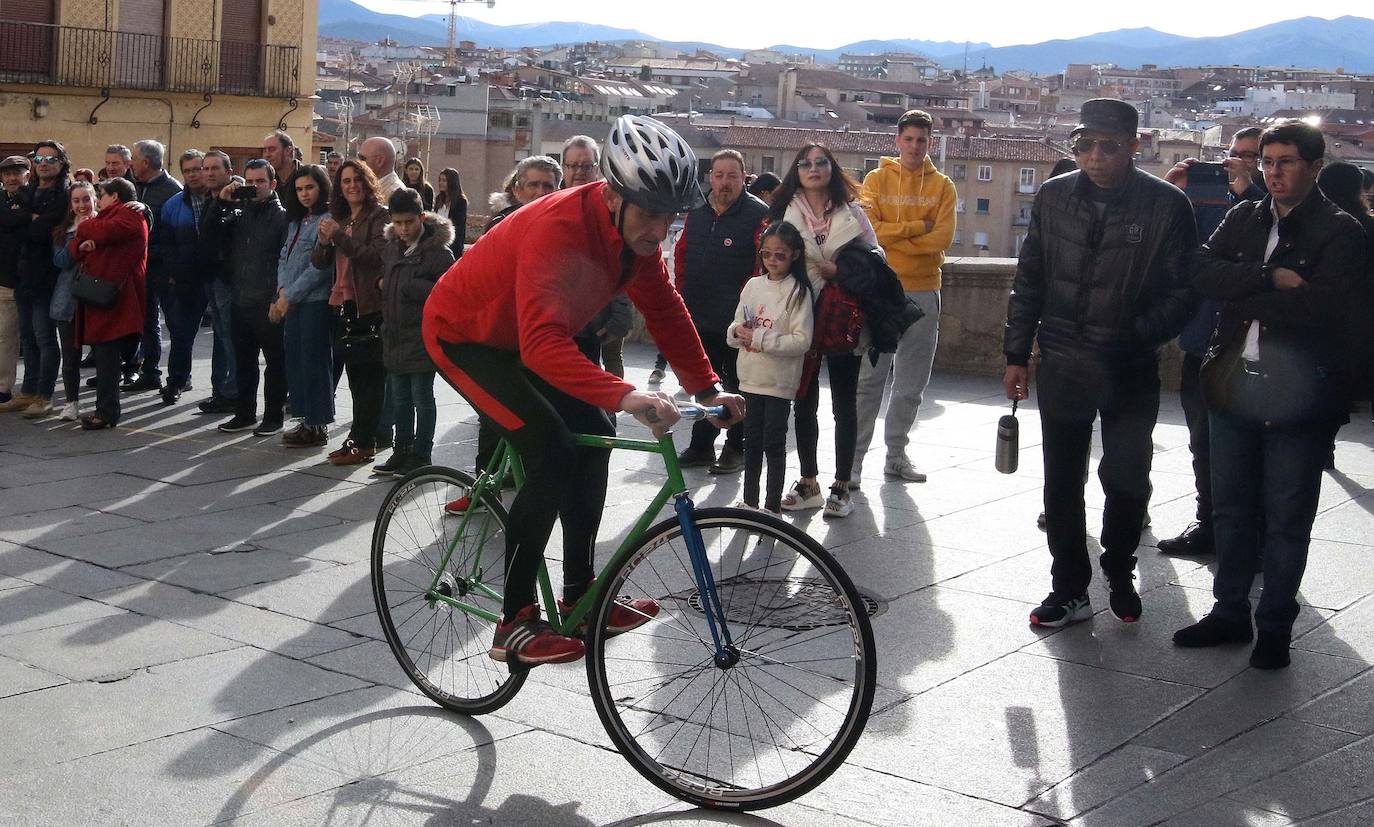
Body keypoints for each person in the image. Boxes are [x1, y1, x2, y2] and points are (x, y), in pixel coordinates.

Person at [422, 114, 742, 666]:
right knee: (550, 451)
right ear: (615, 195)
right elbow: (544, 343)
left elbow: (664, 308)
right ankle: (515, 622)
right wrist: (626, 393)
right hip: (464, 336)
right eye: (650, 213)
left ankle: (582, 594)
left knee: (596, 431)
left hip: (524, 338)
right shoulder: (562, 226)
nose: (659, 230)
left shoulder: (634, 238)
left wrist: (708, 388)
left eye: (670, 217)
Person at [1173, 120, 1365, 670]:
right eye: (1266, 162)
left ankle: (1275, 625)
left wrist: (1243, 287)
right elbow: (1199, 271)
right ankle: (1229, 611)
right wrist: (1267, 276)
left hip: (1300, 395)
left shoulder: (1339, 231)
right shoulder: (1245, 217)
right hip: (1235, 383)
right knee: (1231, 508)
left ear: (1314, 168)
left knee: (1286, 513)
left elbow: (1321, 309)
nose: (1273, 172)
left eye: (1285, 161)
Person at [1003, 98, 1197, 628]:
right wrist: (1016, 354)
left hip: (1128, 366)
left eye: (1108, 146)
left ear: (1135, 146)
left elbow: (1184, 292)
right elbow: (1030, 279)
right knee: (1061, 481)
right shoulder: (1052, 196)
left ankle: (1118, 568)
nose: (1094, 156)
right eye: (1083, 145)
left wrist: (1133, 335)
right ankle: (1068, 587)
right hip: (1063, 360)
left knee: (1127, 476)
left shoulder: (1166, 205)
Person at [1157, 127, 1267, 557]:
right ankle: (1209, 522)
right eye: (1233, 154)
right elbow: (1185, 252)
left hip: (1250, 347)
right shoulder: (1203, 197)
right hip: (1202, 337)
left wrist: (1249, 190)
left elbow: (1263, 250)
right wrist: (1167, 192)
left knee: (1249, 446)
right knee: (1201, 439)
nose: (1238, 162)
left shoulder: (1272, 206)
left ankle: (1252, 537)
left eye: (1252, 157)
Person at [771, 143, 877, 519]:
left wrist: (840, 272)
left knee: (844, 403)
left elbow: (875, 263)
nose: (813, 169)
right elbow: (772, 259)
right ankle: (809, 481)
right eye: (805, 163)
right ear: (796, 171)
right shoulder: (786, 212)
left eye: (820, 163)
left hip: (843, 316)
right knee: (804, 401)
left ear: (831, 169)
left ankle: (842, 484)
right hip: (800, 312)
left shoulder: (852, 213)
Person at [853, 109, 957, 485]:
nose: (915, 146)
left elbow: (941, 240)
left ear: (930, 143)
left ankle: (896, 455)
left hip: (926, 288)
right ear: (897, 141)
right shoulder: (877, 179)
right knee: (870, 379)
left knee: (912, 382)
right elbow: (869, 231)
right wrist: (915, 228)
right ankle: (854, 462)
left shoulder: (943, 185)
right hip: (881, 289)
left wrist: (896, 236)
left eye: (922, 140)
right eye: (909, 139)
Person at [673, 149, 769, 474]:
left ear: (744, 178)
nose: (724, 182)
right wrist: (682, 293)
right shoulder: (697, 210)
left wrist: (747, 313)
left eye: (732, 175)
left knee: (740, 385)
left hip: (738, 320)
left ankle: (736, 447)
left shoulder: (759, 215)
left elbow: (763, 267)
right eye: (718, 175)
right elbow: (682, 252)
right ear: (710, 176)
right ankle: (701, 446)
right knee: (706, 384)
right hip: (699, 314)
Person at [727, 220, 813, 514]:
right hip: (750, 376)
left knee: (774, 443)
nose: (773, 261)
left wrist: (760, 337)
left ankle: (772, 506)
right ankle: (750, 501)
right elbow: (736, 323)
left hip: (779, 380)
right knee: (751, 442)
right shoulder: (753, 285)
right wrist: (738, 333)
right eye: (767, 254)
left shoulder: (798, 291)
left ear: (794, 256)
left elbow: (802, 341)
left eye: (780, 255)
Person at [371, 188, 454, 477]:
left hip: (421, 338)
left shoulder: (438, 254)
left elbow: (448, 294)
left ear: (421, 217)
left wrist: (411, 287)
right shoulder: (392, 247)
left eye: (408, 222)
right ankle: (401, 449)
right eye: (398, 222)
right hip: (394, 334)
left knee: (421, 397)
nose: (403, 228)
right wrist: (382, 283)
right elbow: (385, 276)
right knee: (400, 398)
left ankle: (421, 453)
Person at [314, 159, 390, 465]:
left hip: (369, 306)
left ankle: (365, 443)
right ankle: (358, 440)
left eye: (358, 179)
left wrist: (338, 237)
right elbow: (320, 262)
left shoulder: (379, 216)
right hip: (343, 304)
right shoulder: (342, 218)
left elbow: (375, 257)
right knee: (356, 380)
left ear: (368, 182)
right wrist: (323, 241)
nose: (352, 185)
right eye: (345, 181)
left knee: (369, 380)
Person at [211, 159, 289, 436]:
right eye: (250, 182)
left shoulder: (281, 217)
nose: (254, 187)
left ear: (273, 184)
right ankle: (244, 413)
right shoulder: (237, 210)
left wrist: (276, 297)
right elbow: (211, 236)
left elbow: (284, 260)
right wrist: (222, 202)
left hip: (266, 300)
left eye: (260, 182)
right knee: (244, 360)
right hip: (240, 297)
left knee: (275, 363)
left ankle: (273, 416)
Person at [71, 177, 147, 429]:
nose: (98, 201)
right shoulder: (111, 216)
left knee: (108, 359)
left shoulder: (129, 214)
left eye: (101, 195)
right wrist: (84, 242)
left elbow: (101, 232)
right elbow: (75, 248)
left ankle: (106, 412)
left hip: (116, 299)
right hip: (102, 297)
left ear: (114, 196)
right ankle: (105, 410)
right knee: (105, 358)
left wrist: (85, 229)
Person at [4, 141, 70, 417]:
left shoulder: (63, 194)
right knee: (28, 339)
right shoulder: (26, 190)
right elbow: (9, 221)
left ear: (61, 163)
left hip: (47, 275)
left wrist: (28, 220)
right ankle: (28, 391)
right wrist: (30, 219)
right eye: (39, 158)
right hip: (23, 274)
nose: (43, 163)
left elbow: (42, 231)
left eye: (50, 159)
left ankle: (44, 395)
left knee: (44, 338)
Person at [273, 164, 336, 448]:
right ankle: (305, 419)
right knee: (296, 361)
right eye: (299, 189)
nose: (304, 194)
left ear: (321, 187)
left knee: (314, 361)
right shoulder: (297, 221)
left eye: (310, 187)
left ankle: (317, 423)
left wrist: (291, 295)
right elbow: (284, 257)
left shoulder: (328, 219)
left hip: (314, 301)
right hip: (293, 300)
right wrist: (282, 290)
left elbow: (319, 269)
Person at [126, 138, 184, 393]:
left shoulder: (173, 190)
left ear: (146, 162)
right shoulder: (133, 186)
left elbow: (178, 234)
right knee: (147, 321)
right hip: (141, 268)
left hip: (165, 268)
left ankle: (180, 377)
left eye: (133, 159)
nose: (130, 164)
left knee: (174, 323)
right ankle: (150, 372)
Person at [156, 148, 209, 405]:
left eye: (197, 169)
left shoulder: (223, 197)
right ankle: (177, 380)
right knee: (181, 331)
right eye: (187, 171)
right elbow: (166, 244)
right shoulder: (173, 205)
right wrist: (174, 273)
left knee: (226, 337)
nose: (192, 175)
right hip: (187, 278)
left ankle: (226, 391)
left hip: (220, 277)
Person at [194, 151, 240, 415]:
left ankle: (232, 392)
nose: (209, 173)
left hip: (228, 280)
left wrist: (224, 203)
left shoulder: (234, 201)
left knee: (231, 339)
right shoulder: (209, 199)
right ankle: (222, 390)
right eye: (206, 168)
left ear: (229, 171)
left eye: (215, 168)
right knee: (222, 338)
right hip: (210, 278)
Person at [49, 181, 99, 421]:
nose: (82, 205)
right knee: (70, 357)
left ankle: (104, 403)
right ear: (70, 204)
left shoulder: (104, 225)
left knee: (104, 354)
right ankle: (71, 402)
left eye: (86, 199)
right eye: (76, 200)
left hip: (98, 298)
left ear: (94, 199)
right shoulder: (63, 231)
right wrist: (78, 240)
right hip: (68, 301)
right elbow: (60, 261)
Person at [0, 156, 30, 407]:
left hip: (19, 278)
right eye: (7, 173)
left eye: (17, 173)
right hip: (2, 276)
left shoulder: (31, 199)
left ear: (27, 175)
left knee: (10, 336)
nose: (11, 178)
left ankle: (4, 388)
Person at [485, 155, 560, 228]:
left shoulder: (566, 224)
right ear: (517, 190)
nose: (541, 192)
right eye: (533, 185)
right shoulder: (501, 226)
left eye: (548, 186)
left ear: (558, 192)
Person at [263, 130, 301, 218]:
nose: (267, 155)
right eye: (265, 150)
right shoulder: (266, 179)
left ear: (288, 150)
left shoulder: (306, 176)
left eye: (272, 149)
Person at [433, 167, 467, 259]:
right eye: (440, 180)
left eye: (444, 180)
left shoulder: (460, 201)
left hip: (452, 246)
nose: (441, 183)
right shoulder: (439, 199)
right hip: (436, 245)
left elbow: (459, 227)